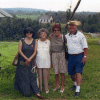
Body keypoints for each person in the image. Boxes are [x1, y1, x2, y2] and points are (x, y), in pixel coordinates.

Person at [14, 27, 43, 99]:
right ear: (25, 33)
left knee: (32, 76)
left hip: (31, 62)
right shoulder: (22, 40)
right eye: (27, 32)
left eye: (30, 32)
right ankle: (23, 90)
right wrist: (26, 59)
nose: (28, 34)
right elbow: (20, 51)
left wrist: (29, 59)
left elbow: (35, 52)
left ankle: (37, 93)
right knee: (23, 77)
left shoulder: (35, 41)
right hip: (22, 62)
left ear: (32, 33)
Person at [65, 21, 88, 97]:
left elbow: (85, 46)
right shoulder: (66, 36)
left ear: (76, 27)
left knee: (78, 72)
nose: (71, 27)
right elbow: (60, 39)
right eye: (70, 25)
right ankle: (75, 85)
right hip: (71, 56)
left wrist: (84, 56)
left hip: (79, 56)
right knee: (71, 73)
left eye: (73, 25)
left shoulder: (80, 35)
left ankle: (78, 90)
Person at [49, 24, 67, 93]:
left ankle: (62, 86)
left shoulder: (63, 37)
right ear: (53, 31)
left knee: (62, 72)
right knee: (56, 72)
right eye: (55, 30)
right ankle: (57, 85)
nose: (56, 31)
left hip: (62, 54)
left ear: (60, 30)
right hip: (54, 54)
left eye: (58, 30)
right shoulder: (51, 36)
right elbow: (49, 46)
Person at [36, 28, 50, 94]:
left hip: (47, 61)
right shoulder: (37, 42)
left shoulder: (49, 42)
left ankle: (46, 89)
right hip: (38, 61)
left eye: (45, 33)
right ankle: (40, 89)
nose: (43, 35)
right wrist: (34, 62)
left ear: (47, 34)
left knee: (46, 75)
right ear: (39, 35)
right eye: (42, 34)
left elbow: (51, 52)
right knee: (39, 76)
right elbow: (35, 52)